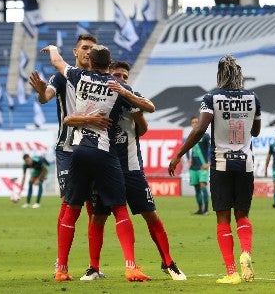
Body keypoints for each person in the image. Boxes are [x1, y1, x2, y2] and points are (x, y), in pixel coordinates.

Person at [43, 43, 154, 282]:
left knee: (71, 210)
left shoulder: (79, 76)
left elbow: (57, 62)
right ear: (109, 63)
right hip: (105, 153)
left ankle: (62, 269)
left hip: (79, 151)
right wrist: (126, 93)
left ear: (90, 62)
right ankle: (131, 267)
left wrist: (52, 48)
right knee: (119, 208)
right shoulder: (119, 86)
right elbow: (150, 107)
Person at [67, 61, 186, 281]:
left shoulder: (130, 96)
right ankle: (93, 267)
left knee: (150, 214)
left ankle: (169, 262)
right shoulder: (100, 98)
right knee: (99, 218)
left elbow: (143, 129)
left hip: (130, 167)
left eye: (124, 76)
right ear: (109, 75)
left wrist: (135, 110)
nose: (121, 78)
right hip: (104, 166)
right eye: (117, 74)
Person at [168, 55, 261, 285]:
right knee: (243, 215)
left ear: (220, 74)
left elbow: (200, 129)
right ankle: (246, 252)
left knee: (222, 218)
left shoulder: (212, 98)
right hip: (245, 163)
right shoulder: (253, 98)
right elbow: (256, 131)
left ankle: (231, 272)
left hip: (221, 163)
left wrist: (179, 154)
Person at [28, 34, 102, 274]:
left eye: (92, 48)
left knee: (95, 207)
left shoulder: (100, 78)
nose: (88, 52)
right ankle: (61, 266)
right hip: (68, 150)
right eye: (84, 48)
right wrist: (40, 92)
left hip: (94, 148)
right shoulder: (62, 77)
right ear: (76, 52)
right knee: (70, 204)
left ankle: (94, 267)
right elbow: (45, 97)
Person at [186, 116, 211, 215]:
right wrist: (188, 159)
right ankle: (200, 209)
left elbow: (211, 149)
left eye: (197, 122)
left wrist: (209, 163)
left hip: (203, 166)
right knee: (196, 188)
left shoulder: (206, 136)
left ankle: (206, 210)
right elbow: (186, 149)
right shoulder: (190, 136)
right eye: (193, 122)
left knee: (203, 186)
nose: (195, 123)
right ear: (191, 124)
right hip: (193, 167)